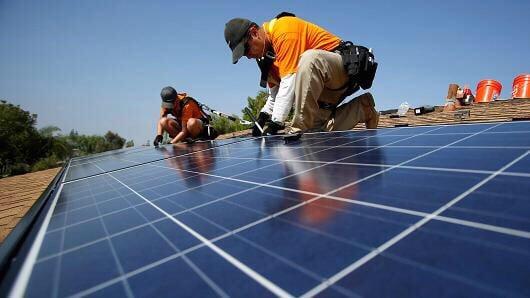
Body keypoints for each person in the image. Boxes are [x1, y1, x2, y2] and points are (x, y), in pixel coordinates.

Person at [224, 13, 379, 136]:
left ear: (254, 33)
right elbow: (275, 94)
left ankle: (299, 126)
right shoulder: (266, 58)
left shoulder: (284, 29)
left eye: (246, 50)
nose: (249, 57)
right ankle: (363, 108)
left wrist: (276, 122)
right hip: (321, 89)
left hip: (340, 69)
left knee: (309, 59)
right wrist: (264, 115)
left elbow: (289, 83)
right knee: (314, 136)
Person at [153, 86, 218, 146]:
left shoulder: (187, 104)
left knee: (191, 122)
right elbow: (161, 121)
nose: (169, 106)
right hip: (183, 126)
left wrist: (171, 143)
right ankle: (185, 140)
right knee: (163, 121)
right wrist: (159, 135)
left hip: (197, 127)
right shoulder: (166, 103)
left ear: (176, 99)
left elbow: (184, 131)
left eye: (171, 104)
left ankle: (197, 139)